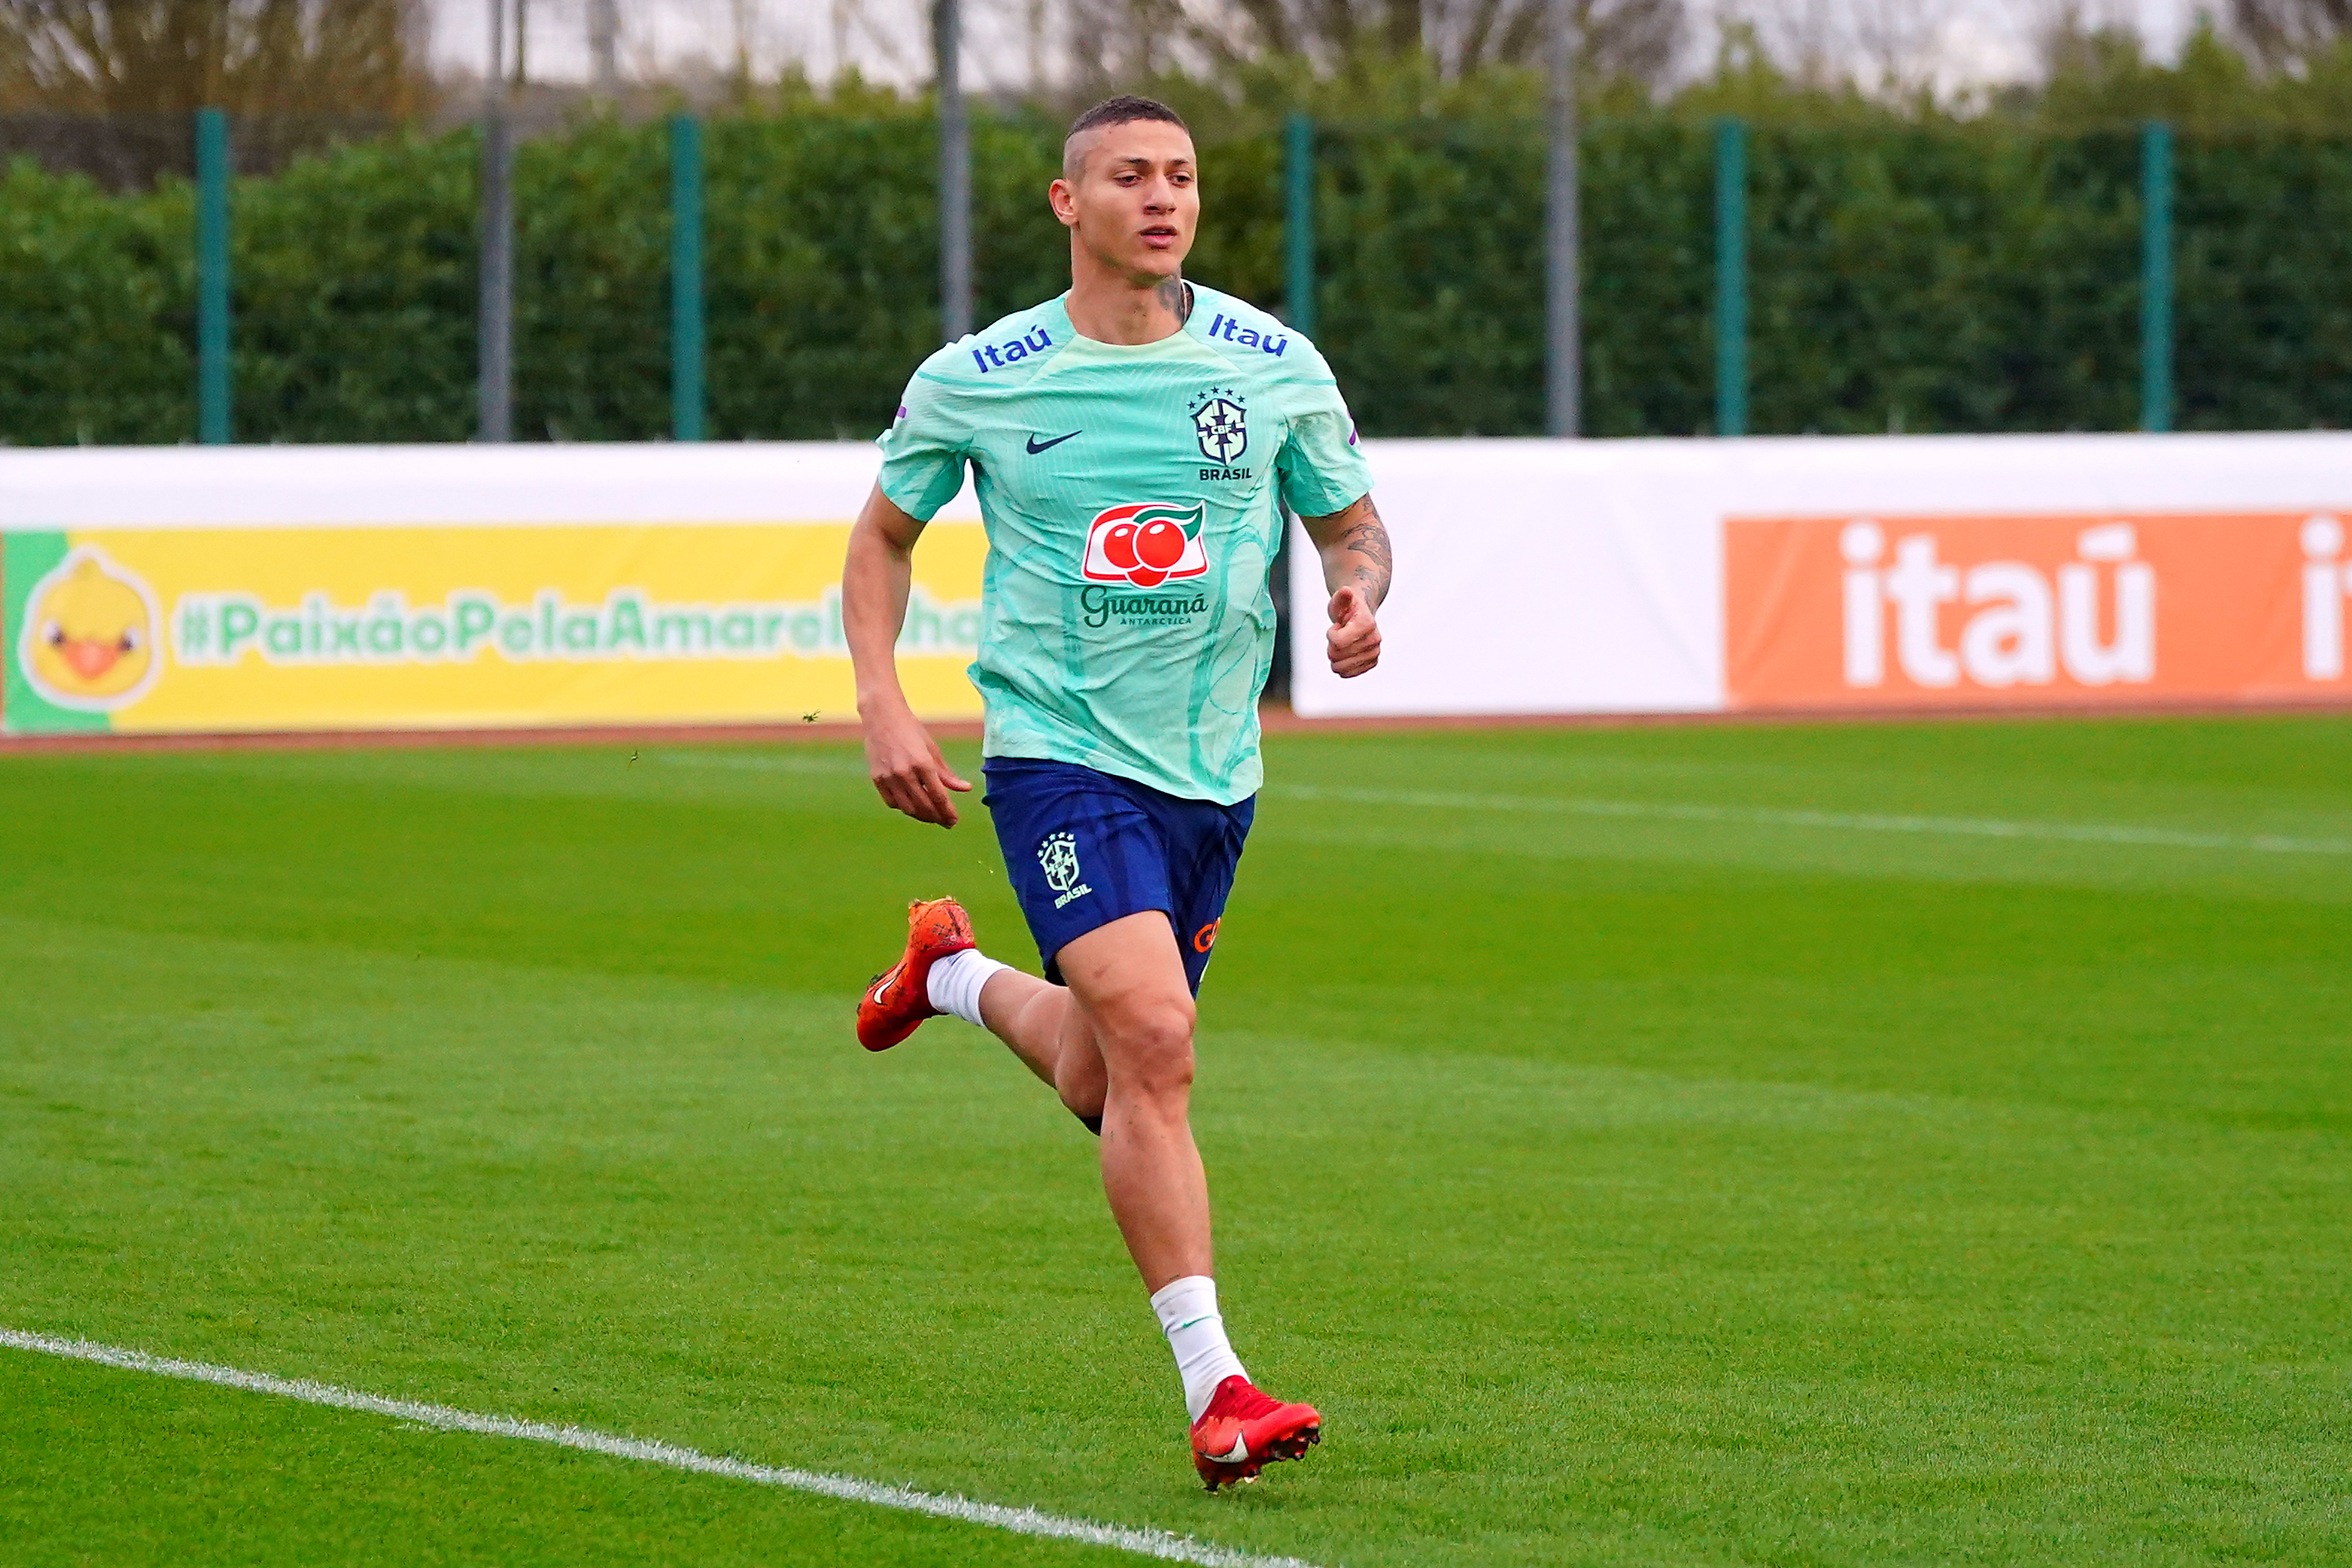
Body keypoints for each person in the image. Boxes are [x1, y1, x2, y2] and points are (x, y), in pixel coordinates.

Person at [840, 94, 1392, 1492]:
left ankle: (951, 977)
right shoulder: (985, 373)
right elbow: (883, 540)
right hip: (1058, 755)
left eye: (1185, 176)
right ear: (1064, 202)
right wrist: (883, 699)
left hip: (1215, 777)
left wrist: (1354, 591)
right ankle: (1220, 1389)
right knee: (1155, 1039)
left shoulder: (1273, 365)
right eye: (1131, 176)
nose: (1164, 198)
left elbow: (1354, 522)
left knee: (1106, 1073)